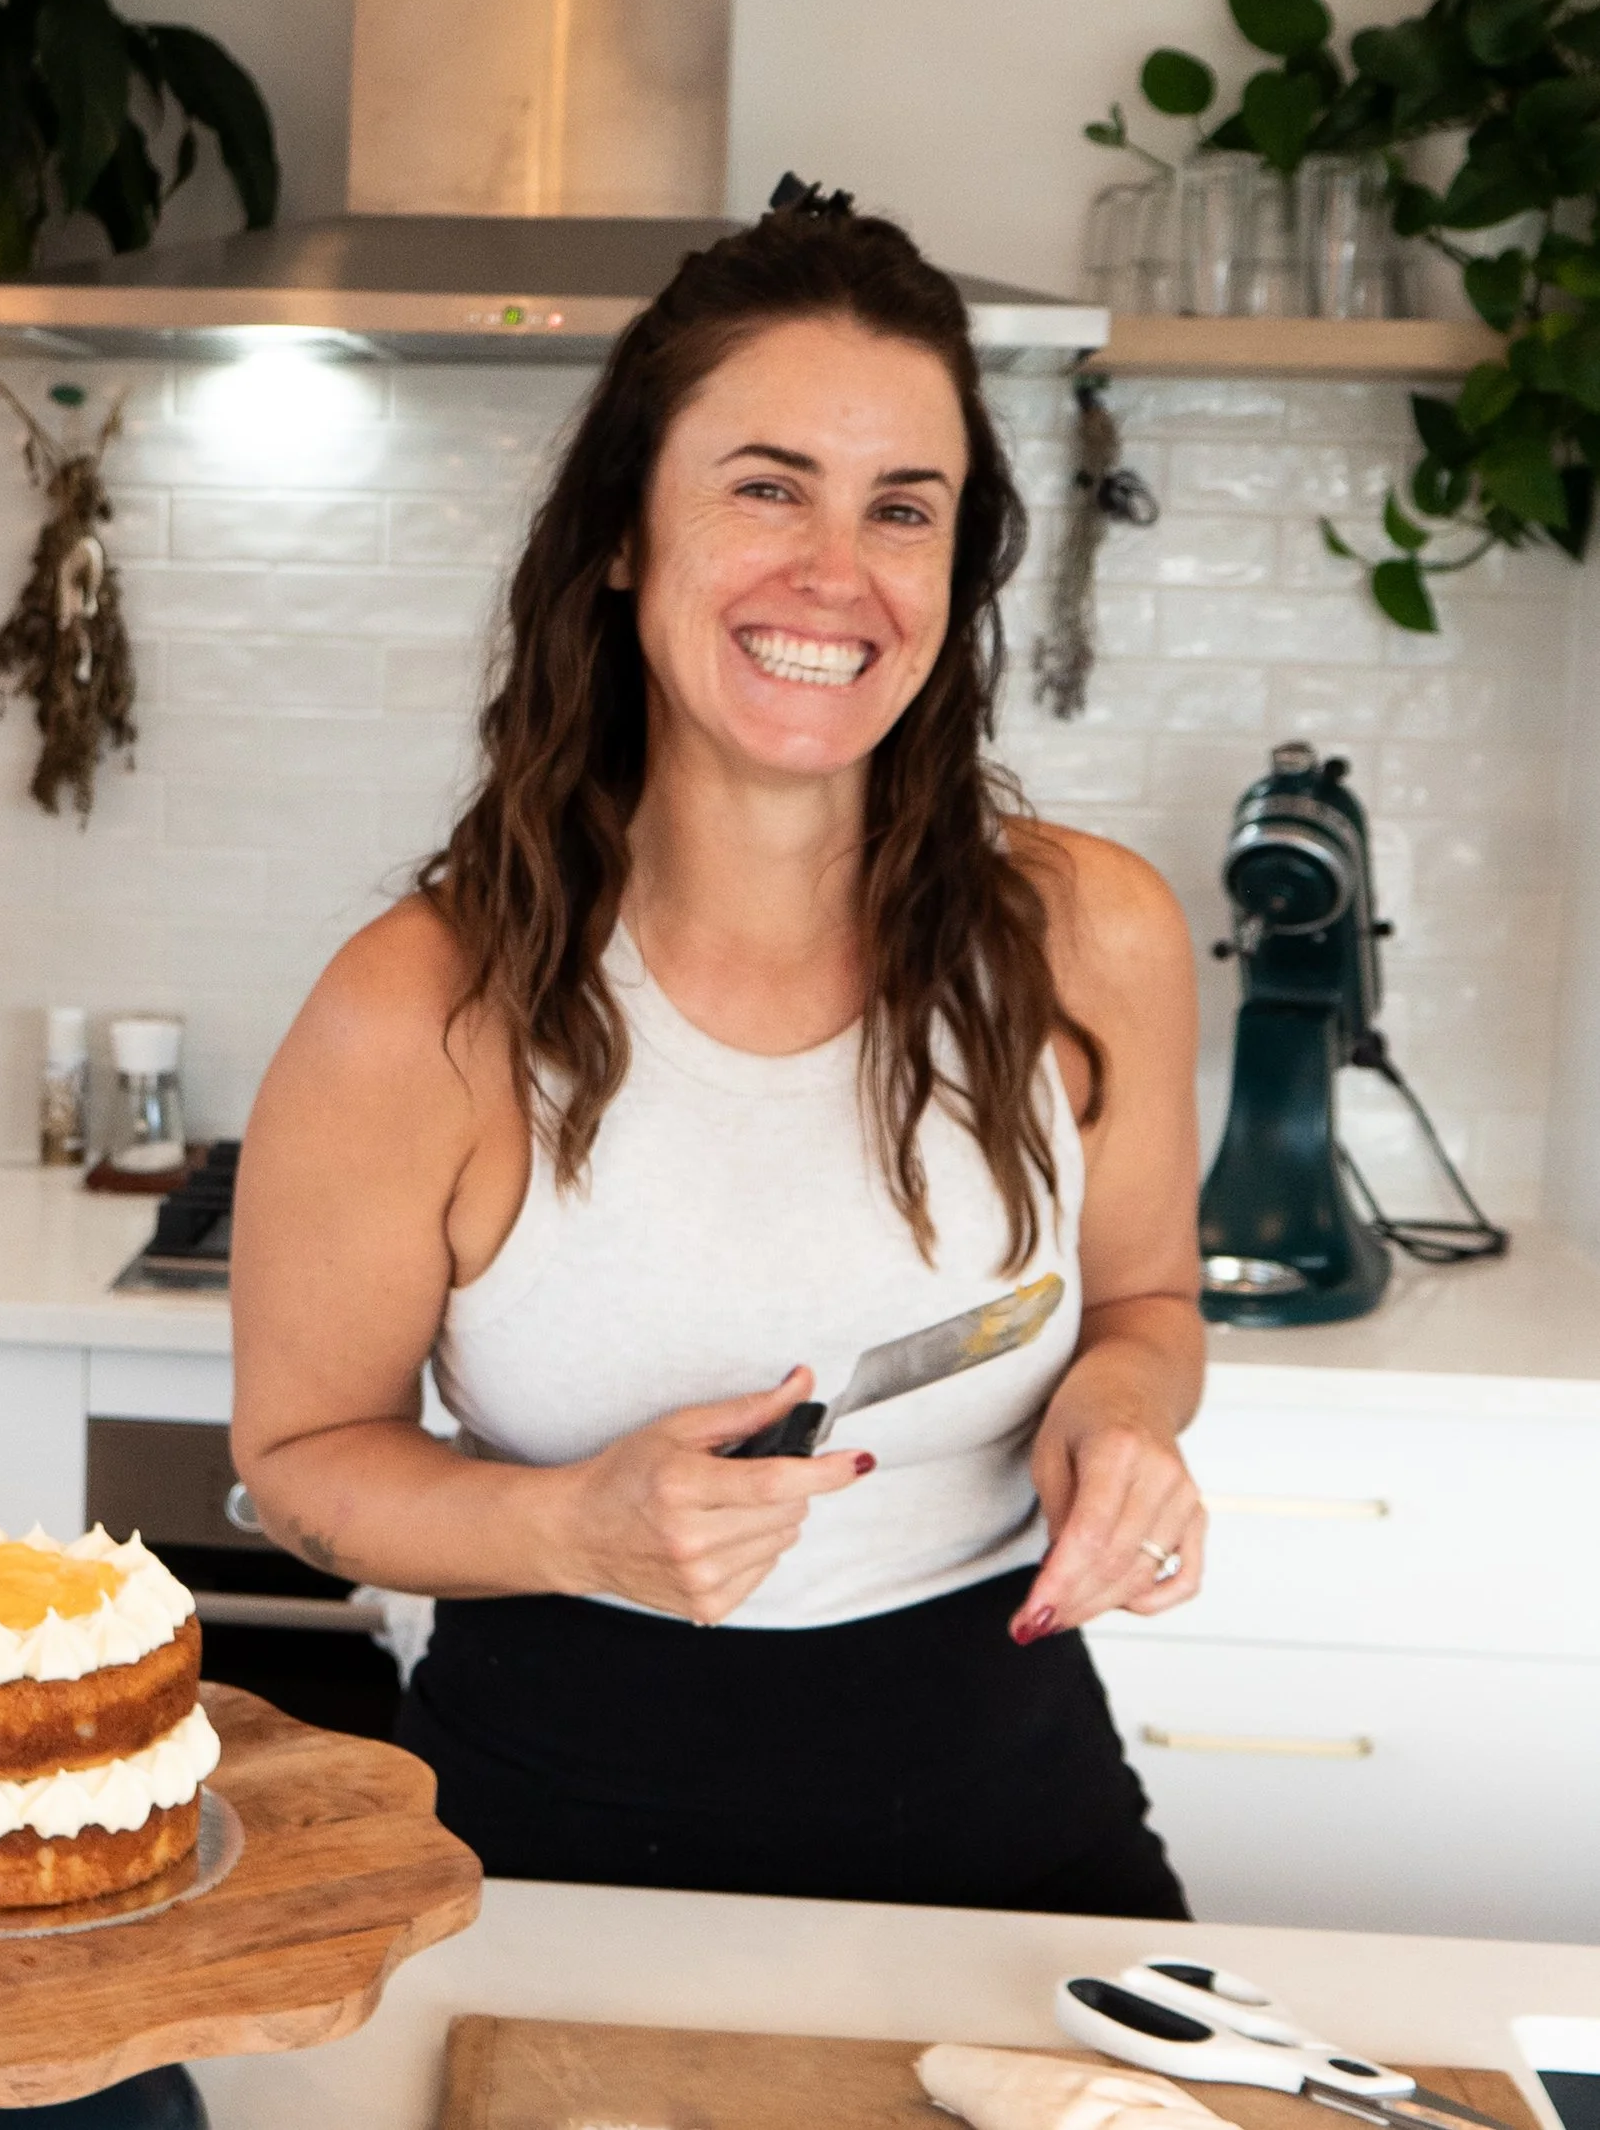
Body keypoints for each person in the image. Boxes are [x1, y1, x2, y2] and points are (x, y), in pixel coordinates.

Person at [228, 196, 1204, 1913]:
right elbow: (300, 1461)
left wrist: (1119, 1423)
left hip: (1018, 1822)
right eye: (768, 486)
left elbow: (1145, 1309)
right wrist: (569, 1525)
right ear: (624, 531)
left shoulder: (1092, 933)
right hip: (550, 1841)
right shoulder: (425, 1006)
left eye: (903, 508)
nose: (837, 573)